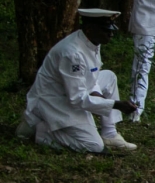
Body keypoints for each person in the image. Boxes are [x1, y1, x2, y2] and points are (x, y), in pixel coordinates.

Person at [16, 9, 139, 153]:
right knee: (94, 146)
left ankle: (110, 134)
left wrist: (97, 94)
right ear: (89, 29)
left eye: (111, 30)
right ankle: (43, 131)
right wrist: (115, 104)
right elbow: (76, 98)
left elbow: (91, 75)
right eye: (105, 30)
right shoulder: (72, 53)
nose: (111, 34)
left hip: (70, 90)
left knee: (109, 77)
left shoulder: (91, 41)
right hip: (55, 100)